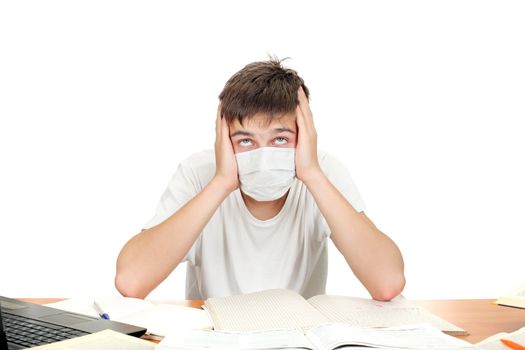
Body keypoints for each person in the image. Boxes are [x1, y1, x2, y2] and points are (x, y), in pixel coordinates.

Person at [115, 58, 405, 301]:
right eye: (245, 141)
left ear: (304, 137)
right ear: (224, 140)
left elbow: (387, 282)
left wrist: (312, 175)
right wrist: (221, 183)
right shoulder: (198, 173)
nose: (263, 156)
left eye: (280, 138)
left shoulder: (323, 172)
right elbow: (131, 281)